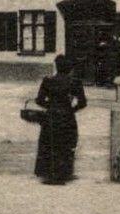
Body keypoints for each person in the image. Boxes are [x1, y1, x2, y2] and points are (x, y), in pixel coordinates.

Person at [34, 54, 88, 184]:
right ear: (69, 68)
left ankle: (49, 173)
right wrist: (71, 109)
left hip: (51, 117)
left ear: (57, 67)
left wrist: (51, 106)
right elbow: (83, 102)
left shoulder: (48, 81)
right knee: (66, 144)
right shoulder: (75, 82)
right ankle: (64, 172)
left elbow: (39, 100)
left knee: (49, 144)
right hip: (67, 117)